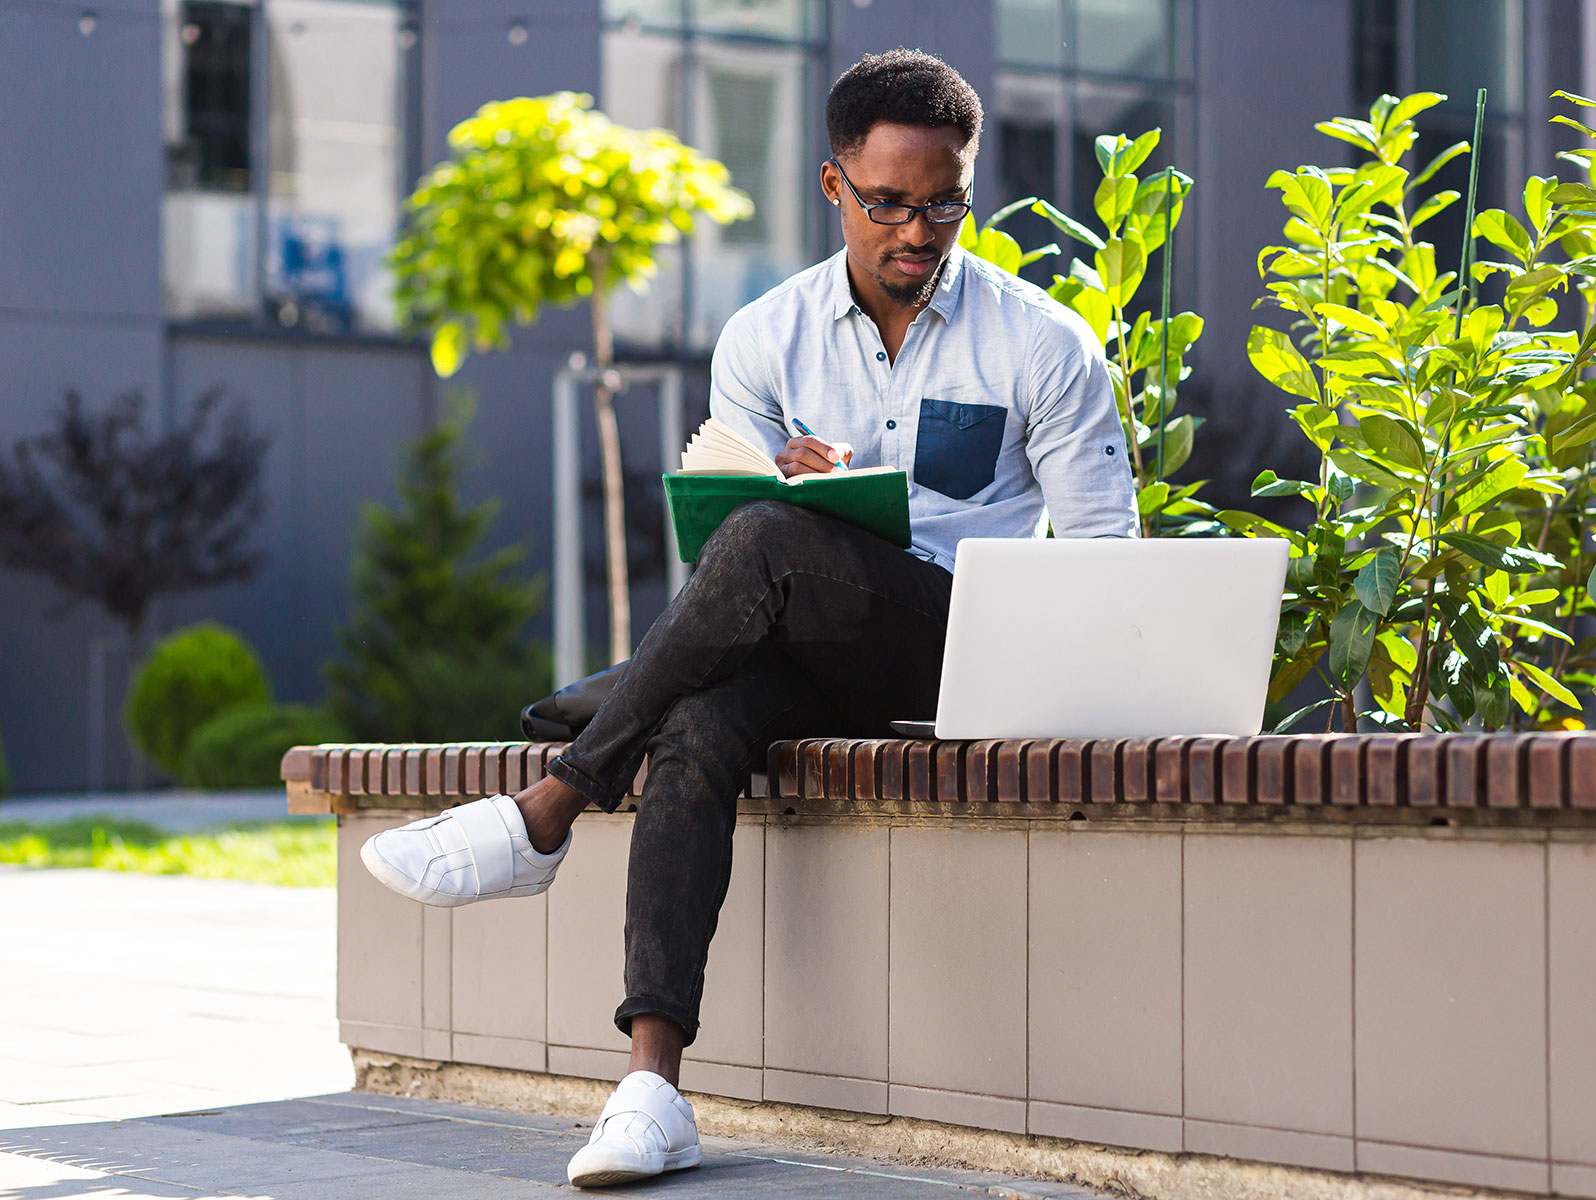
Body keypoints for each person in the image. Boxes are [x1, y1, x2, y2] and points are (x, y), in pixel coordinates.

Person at [359, 48, 1138, 1189]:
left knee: (771, 547)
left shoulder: (1043, 343)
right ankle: (652, 1090)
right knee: (706, 708)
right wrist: (778, 476)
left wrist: (789, 531)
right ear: (835, 188)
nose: (919, 233)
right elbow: (721, 553)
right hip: (801, 637)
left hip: (959, 646)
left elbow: (1105, 565)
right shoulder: (764, 339)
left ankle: (550, 804)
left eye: (944, 204)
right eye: (889, 205)